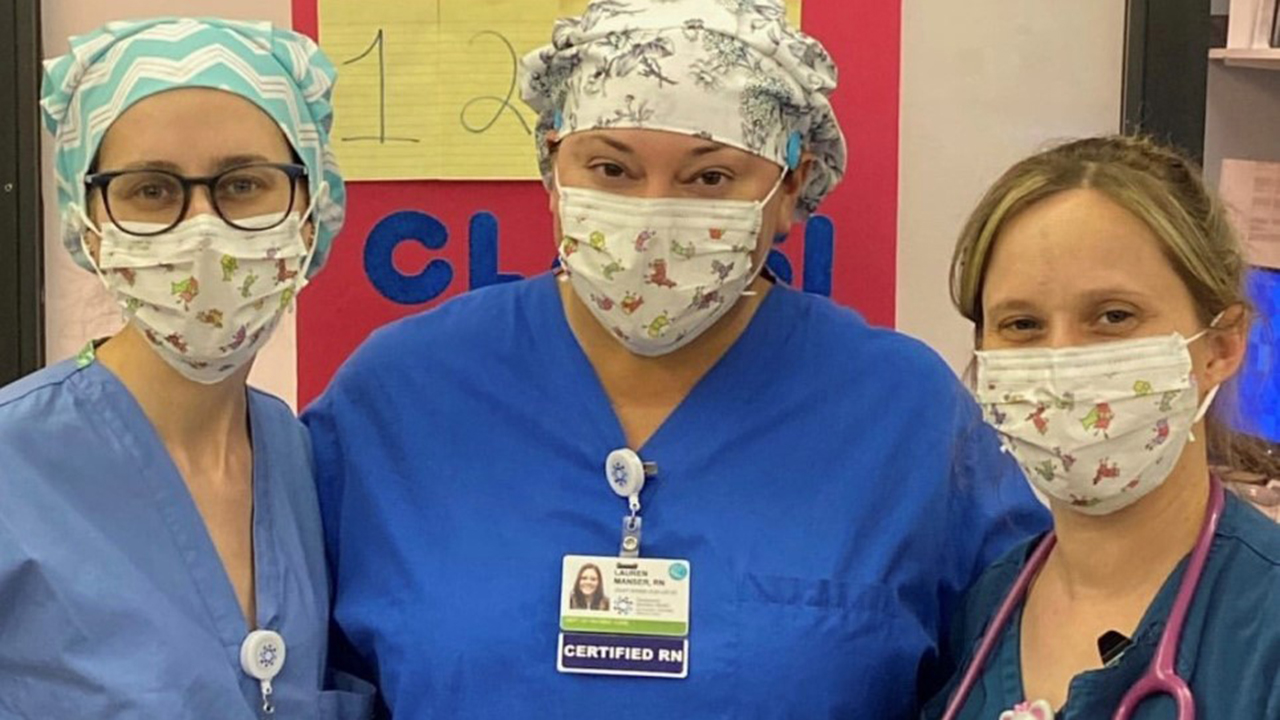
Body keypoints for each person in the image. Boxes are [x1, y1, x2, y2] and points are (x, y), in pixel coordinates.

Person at [305, 1, 1046, 716]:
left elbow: (1027, 665)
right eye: (612, 170)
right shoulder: (403, 396)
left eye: (710, 177)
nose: (655, 214)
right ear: (551, 169)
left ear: (791, 187)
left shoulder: (901, 414)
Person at [0, 18, 373, 719]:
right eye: (150, 190)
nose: (202, 227)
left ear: (311, 209)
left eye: (243, 185)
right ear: (88, 222)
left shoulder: (301, 461)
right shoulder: (12, 469)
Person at [922, 136, 1280, 719]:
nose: (1062, 358)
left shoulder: (1262, 624)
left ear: (1221, 344)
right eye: (1022, 324)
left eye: (1114, 316)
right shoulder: (987, 609)